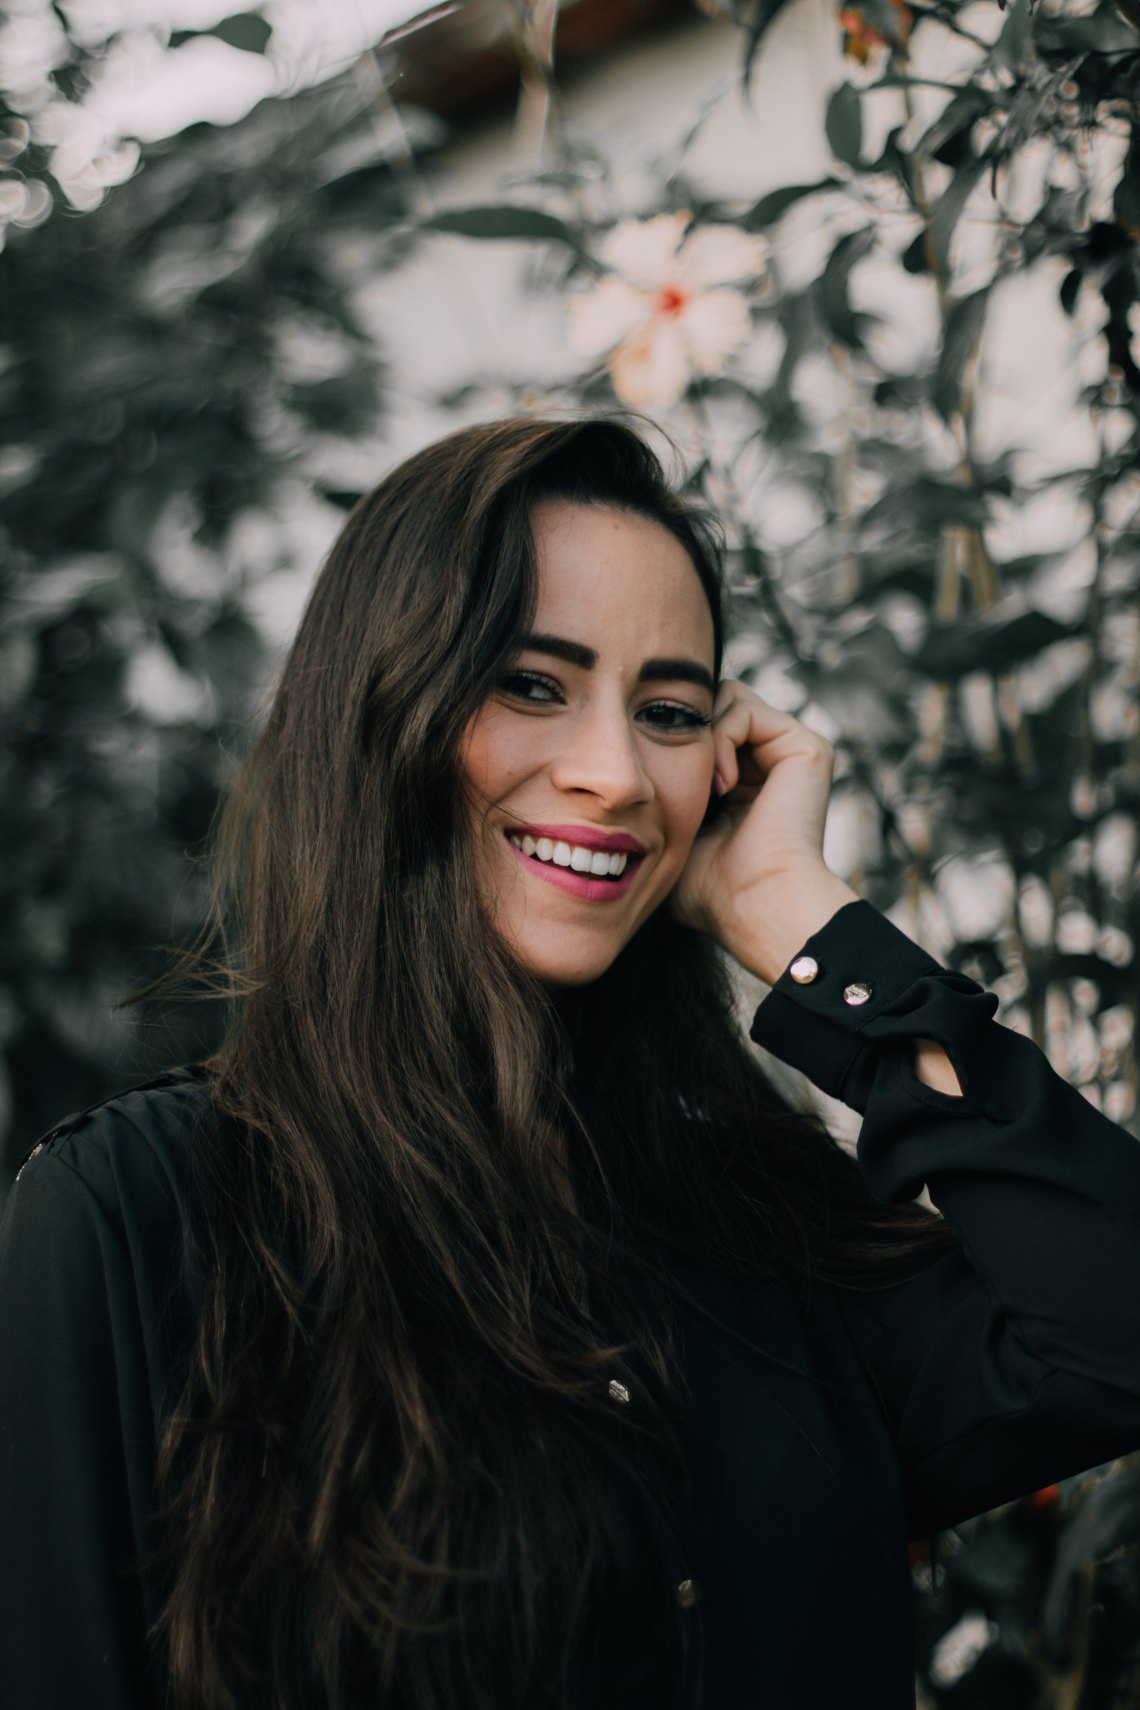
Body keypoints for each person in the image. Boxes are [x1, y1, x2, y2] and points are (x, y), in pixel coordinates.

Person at [2, 414, 1139, 1710]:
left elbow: (1115, 1331)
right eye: (532, 684)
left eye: (667, 710)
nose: (611, 773)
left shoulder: (761, 1221)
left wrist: (809, 928)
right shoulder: (141, 1218)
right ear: (385, 711)